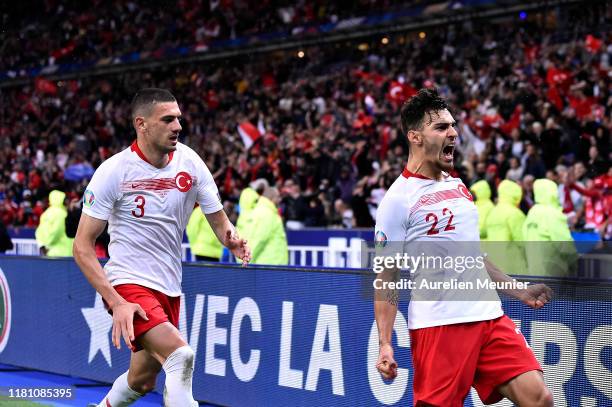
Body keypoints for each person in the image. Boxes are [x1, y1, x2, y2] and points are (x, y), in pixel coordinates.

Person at [374, 88, 553, 406]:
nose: (453, 133)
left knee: (538, 398)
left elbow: (472, 255)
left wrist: (518, 290)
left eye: (452, 125)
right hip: (440, 327)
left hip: (489, 316)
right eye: (441, 127)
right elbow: (386, 277)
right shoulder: (397, 200)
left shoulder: (457, 185)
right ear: (415, 137)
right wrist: (385, 343)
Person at [73, 88, 251, 407]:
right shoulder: (114, 171)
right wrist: (116, 301)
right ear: (142, 124)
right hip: (128, 283)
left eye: (178, 119)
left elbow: (220, 221)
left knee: (141, 380)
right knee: (181, 356)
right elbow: (82, 247)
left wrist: (232, 238)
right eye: (167, 120)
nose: (177, 127)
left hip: (169, 287)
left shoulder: (190, 163)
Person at [523, 178, 576, 277]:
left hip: (534, 271)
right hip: (554, 273)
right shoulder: (552, 213)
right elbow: (565, 244)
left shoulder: (532, 212)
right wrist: (575, 264)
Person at [484, 179, 527, 275]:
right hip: (514, 265)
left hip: (495, 264)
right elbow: (522, 242)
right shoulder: (515, 213)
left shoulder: (492, 212)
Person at [241, 186, 288, 265]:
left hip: (270, 265)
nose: (280, 200)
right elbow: (259, 240)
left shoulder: (265, 211)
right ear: (272, 197)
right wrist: (247, 261)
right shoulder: (267, 214)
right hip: (270, 266)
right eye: (278, 197)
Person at [35, 190, 73, 256]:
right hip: (63, 252)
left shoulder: (46, 213)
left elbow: (38, 232)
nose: (67, 201)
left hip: (51, 252)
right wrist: (49, 244)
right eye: (65, 199)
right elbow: (57, 231)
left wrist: (44, 246)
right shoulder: (62, 213)